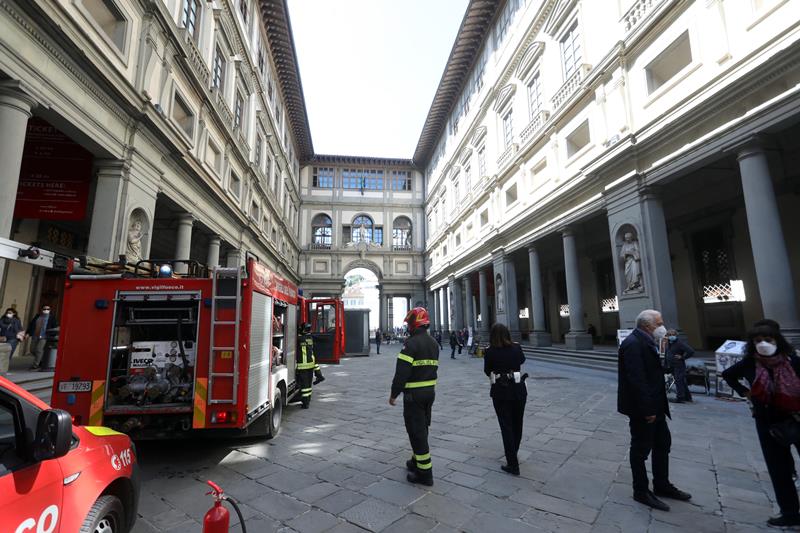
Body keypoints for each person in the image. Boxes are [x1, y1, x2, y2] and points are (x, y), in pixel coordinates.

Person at [722, 323, 800, 528]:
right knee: (778, 470)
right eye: (758, 341)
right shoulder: (750, 363)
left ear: (777, 341)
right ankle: (790, 513)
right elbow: (728, 375)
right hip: (767, 423)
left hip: (796, 419)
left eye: (768, 340)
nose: (763, 344)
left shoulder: (793, 361)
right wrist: (745, 393)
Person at [618, 309, 691, 511]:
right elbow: (636, 380)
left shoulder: (647, 341)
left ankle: (662, 484)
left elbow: (653, 372)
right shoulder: (633, 344)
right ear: (648, 325)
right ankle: (640, 490)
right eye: (659, 323)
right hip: (644, 408)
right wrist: (647, 409)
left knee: (662, 445)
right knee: (640, 449)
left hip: (656, 405)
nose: (662, 326)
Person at [389, 307, 439, 486]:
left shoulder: (410, 344)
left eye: (409, 323)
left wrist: (394, 394)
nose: (408, 327)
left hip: (413, 395)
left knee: (416, 431)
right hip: (429, 392)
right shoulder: (434, 342)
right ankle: (416, 460)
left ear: (413, 324)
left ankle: (425, 474)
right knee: (422, 427)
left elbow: (401, 372)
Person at [484, 323, 528, 475]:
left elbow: (487, 371)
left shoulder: (490, 352)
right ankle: (513, 451)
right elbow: (522, 360)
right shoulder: (516, 347)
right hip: (519, 390)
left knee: (506, 426)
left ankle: (512, 463)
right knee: (518, 423)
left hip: (501, 392)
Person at [665, 329, 694, 403]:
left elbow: (690, 351)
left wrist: (682, 357)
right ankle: (688, 397)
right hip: (673, 365)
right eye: (670, 335)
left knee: (679, 381)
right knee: (681, 381)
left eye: (673, 334)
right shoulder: (669, 342)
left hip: (679, 365)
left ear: (676, 335)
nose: (671, 336)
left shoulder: (679, 343)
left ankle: (680, 398)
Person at [26, 304, 58, 370]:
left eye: (48, 309)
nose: (46, 310)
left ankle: (35, 365)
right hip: (35, 335)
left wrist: (52, 335)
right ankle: (41, 359)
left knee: (38, 350)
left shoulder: (52, 318)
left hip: (44, 336)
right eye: (44, 309)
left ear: (50, 310)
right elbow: (32, 325)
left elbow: (54, 327)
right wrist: (28, 333)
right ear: (42, 310)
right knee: (32, 350)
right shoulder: (38, 316)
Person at [297, 323, 318, 408]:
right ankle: (308, 400)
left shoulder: (300, 339)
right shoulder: (310, 338)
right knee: (308, 385)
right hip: (310, 365)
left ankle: (305, 404)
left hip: (303, 366)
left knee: (304, 386)